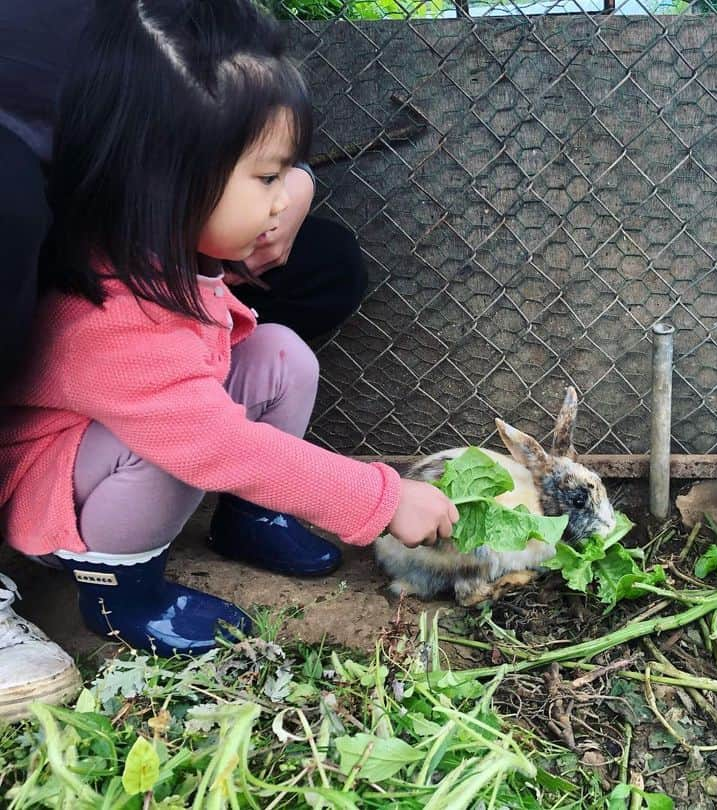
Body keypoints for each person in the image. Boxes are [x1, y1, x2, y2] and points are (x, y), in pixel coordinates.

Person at [0, 0, 458, 686]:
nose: (284, 197)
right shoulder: (112, 319)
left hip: (112, 449)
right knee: (166, 449)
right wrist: (382, 499)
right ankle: (120, 592)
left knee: (279, 353)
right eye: (267, 176)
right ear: (169, 177)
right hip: (56, 503)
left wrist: (282, 189)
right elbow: (218, 442)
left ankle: (248, 518)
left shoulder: (159, 246)